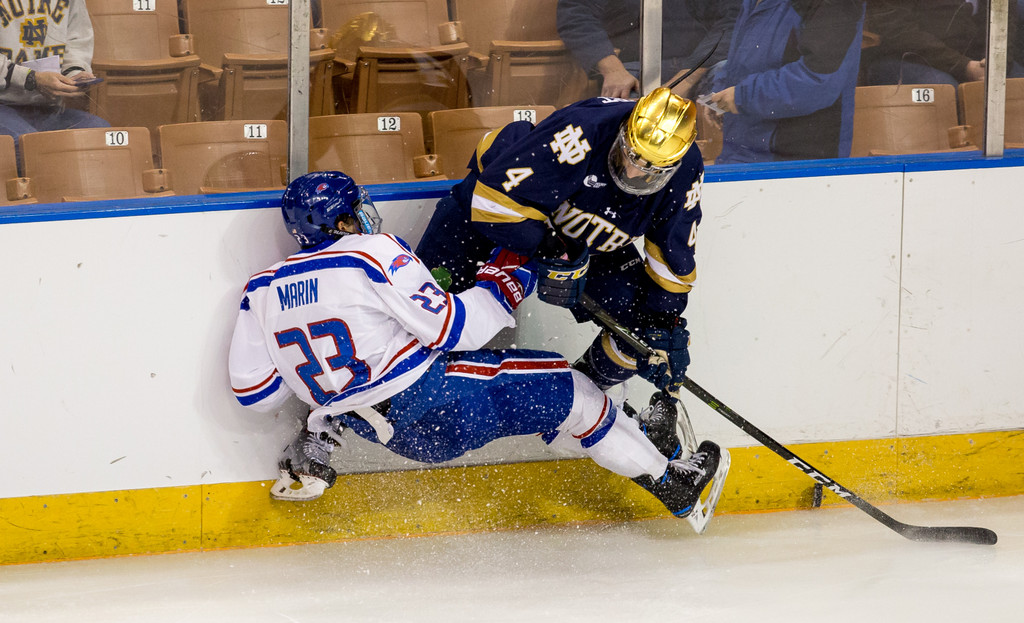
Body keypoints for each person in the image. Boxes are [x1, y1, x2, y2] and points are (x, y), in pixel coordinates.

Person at [227, 170, 727, 530]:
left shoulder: (262, 288)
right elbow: (456, 330)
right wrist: (511, 271)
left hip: (394, 438)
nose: (367, 215)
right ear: (340, 223)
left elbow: (256, 393)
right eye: (358, 209)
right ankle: (675, 484)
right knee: (572, 388)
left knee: (553, 407)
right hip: (439, 397)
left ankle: (640, 442)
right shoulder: (368, 252)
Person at [414, 88, 702, 449]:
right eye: (631, 156)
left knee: (644, 332)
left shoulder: (686, 168)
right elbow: (491, 204)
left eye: (652, 170)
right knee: (420, 309)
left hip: (584, 245)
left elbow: (672, 254)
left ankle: (587, 397)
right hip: (492, 217)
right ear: (625, 132)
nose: (634, 172)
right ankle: (333, 422)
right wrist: (548, 247)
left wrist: (666, 323)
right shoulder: (584, 129)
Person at [708, 0, 865, 163]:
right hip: (742, 155)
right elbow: (744, 59)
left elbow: (818, 80)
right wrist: (720, 91)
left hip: (796, 166)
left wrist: (741, 97)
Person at [557, 0, 740, 99]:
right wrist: (613, 70)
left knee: (732, 83)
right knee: (626, 120)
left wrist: (685, 81)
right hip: (632, 73)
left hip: (703, 69)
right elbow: (575, 14)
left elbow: (734, 20)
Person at [0, 0, 108, 145]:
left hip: (47, 108)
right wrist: (31, 78)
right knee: (31, 147)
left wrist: (74, 73)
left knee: (100, 133)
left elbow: (77, 38)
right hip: (3, 104)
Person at [861, 0, 1024, 90]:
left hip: (976, 59)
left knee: (1017, 86)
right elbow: (897, 31)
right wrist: (963, 67)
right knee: (942, 90)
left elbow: (1006, 21)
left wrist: (998, 63)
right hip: (907, 57)